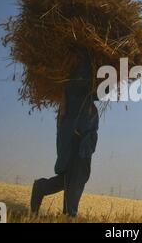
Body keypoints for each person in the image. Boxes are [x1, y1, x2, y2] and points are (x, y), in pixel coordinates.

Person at [30, 51, 99, 217]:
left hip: (79, 134)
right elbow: (94, 91)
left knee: (72, 175)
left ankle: (44, 190)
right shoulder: (77, 80)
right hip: (76, 135)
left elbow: (98, 93)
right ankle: (69, 214)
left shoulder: (78, 85)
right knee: (76, 175)